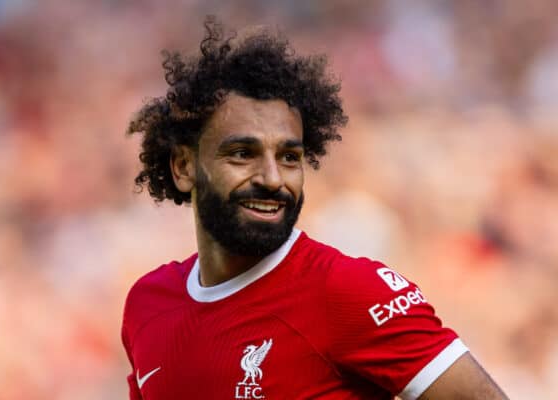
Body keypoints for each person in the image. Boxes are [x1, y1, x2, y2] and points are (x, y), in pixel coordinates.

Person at [121, 17, 509, 400]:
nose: (273, 178)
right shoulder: (147, 304)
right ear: (184, 166)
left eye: (289, 157)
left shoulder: (350, 292)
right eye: (242, 154)